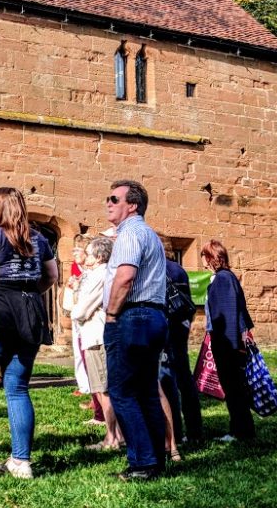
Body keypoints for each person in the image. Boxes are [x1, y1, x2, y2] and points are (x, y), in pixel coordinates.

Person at [0, 187, 58, 479]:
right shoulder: (40, 239)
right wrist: (28, 294)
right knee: (17, 388)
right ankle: (21, 461)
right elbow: (52, 276)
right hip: (31, 314)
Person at [103, 179, 169, 481]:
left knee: (122, 391)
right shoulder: (150, 234)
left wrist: (112, 313)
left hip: (133, 316)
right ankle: (156, 459)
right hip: (154, 315)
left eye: (114, 199)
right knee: (146, 391)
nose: (108, 203)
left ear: (132, 205)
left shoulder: (130, 233)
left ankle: (142, 462)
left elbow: (126, 276)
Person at [72, 236, 123, 451]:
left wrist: (76, 311)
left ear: (100, 257)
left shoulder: (100, 275)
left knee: (104, 389)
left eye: (90, 254)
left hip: (97, 335)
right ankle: (116, 435)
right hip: (94, 334)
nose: (87, 257)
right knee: (102, 388)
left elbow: (81, 309)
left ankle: (113, 438)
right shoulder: (96, 274)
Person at [202, 239, 256, 442]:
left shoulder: (223, 279)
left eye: (205, 259)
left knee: (234, 387)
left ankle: (241, 431)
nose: (203, 264)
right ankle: (239, 429)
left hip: (227, 343)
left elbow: (228, 314)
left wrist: (229, 344)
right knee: (234, 387)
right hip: (227, 342)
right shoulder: (226, 277)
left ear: (212, 258)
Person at [160, 256, 203, 446]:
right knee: (185, 378)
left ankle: (175, 433)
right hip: (181, 325)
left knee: (167, 378)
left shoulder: (158, 267)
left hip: (167, 324)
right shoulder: (179, 269)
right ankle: (195, 431)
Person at [66, 242, 92, 401]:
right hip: (77, 312)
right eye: (73, 248)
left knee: (88, 351)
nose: (74, 252)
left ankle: (92, 387)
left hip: (88, 314)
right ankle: (83, 385)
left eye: (78, 249)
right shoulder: (76, 267)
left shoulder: (91, 270)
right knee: (78, 350)